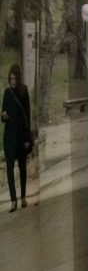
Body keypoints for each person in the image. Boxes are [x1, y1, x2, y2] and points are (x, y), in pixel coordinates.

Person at [2, 64, 32, 213]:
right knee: (9, 169)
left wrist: (27, 138)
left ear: (18, 78)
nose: (12, 81)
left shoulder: (24, 91)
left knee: (22, 168)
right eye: (10, 78)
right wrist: (3, 116)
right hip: (9, 137)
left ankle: (23, 197)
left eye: (14, 78)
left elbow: (27, 116)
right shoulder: (7, 93)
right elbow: (3, 114)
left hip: (20, 137)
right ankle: (13, 200)